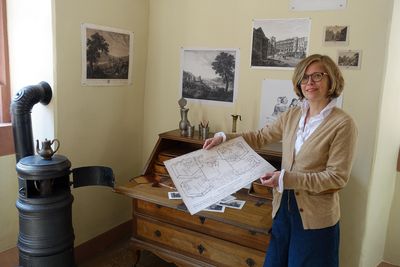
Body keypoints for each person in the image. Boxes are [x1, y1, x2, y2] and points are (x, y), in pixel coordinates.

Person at [203, 54, 357, 267]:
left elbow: (336, 178)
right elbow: (259, 137)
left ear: (331, 79)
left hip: (315, 218)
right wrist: (223, 138)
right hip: (282, 209)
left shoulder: (343, 124)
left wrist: (286, 178)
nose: (309, 83)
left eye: (317, 76)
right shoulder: (292, 115)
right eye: (304, 78)